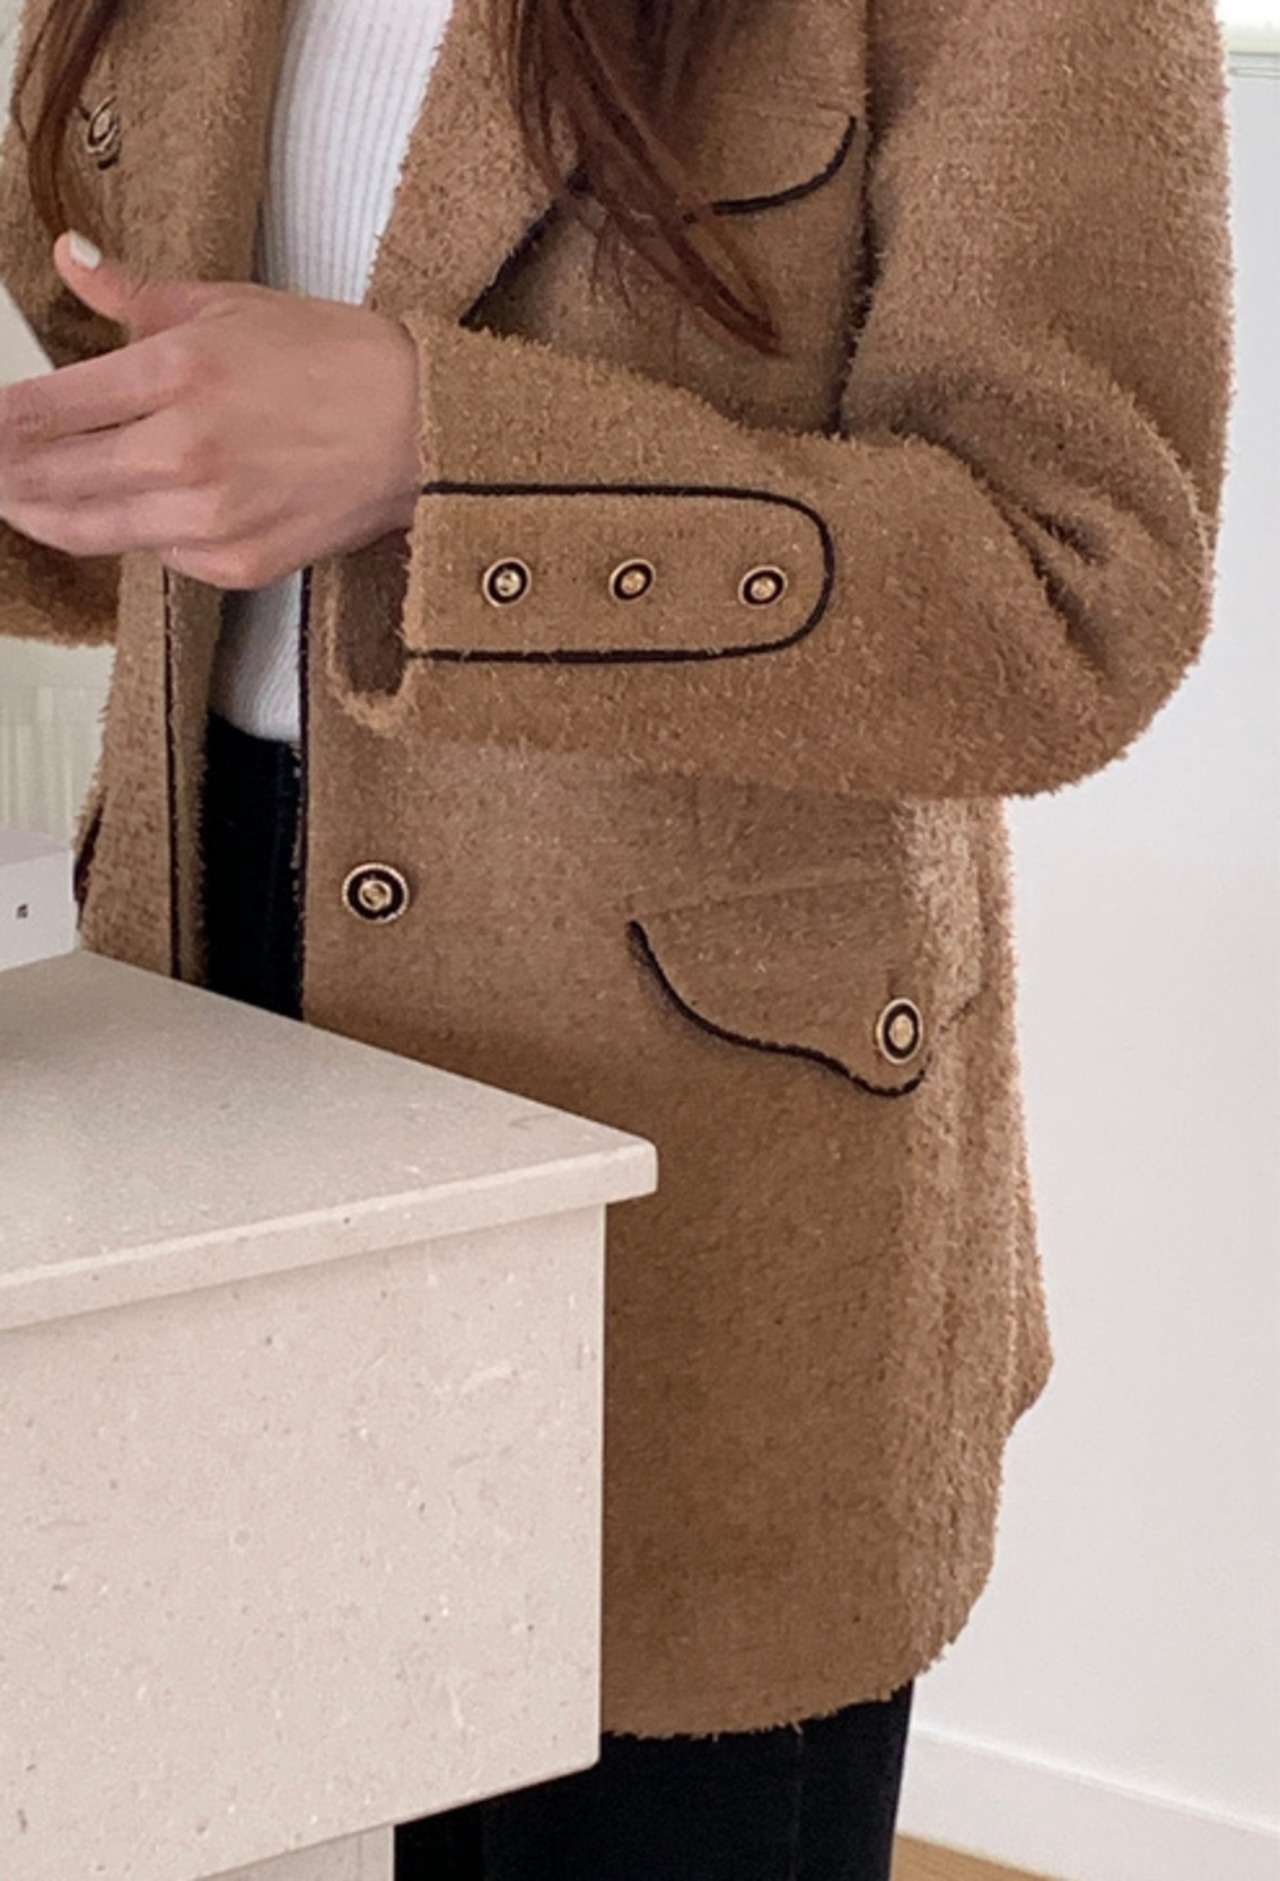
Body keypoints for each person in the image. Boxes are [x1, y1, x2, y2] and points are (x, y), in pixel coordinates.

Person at [0, 0, 1233, 1873]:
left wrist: (444, 458)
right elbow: (134, 440)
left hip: (698, 1180)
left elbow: (1069, 591)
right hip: (192, 1062)